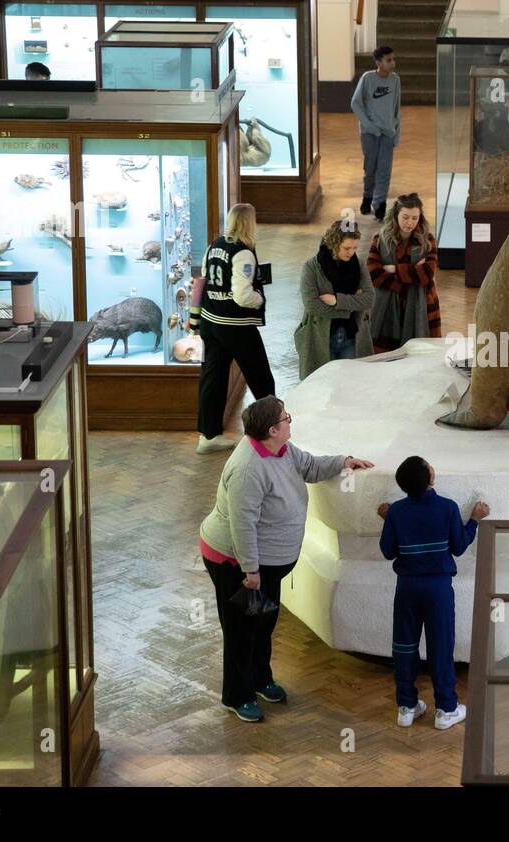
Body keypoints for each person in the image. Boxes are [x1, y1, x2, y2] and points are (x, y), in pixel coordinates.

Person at [200, 396, 374, 722]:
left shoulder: (281, 449)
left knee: (263, 622)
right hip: (235, 563)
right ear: (273, 429)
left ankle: (260, 679)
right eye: (286, 418)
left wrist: (343, 461)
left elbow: (307, 465)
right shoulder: (248, 469)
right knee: (241, 630)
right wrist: (250, 571)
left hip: (265, 565)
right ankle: (237, 696)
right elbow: (243, 524)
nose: (290, 421)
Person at [377, 456, 488, 729]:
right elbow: (459, 546)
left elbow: (388, 551)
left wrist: (388, 519)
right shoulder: (447, 508)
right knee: (440, 646)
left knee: (404, 646)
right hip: (438, 588)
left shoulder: (397, 512)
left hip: (406, 587)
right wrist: (474, 519)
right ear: (430, 477)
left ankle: (406, 706)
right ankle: (446, 709)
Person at [190, 203, 273, 455]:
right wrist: (259, 298)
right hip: (235, 326)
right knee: (260, 377)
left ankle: (209, 435)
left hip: (210, 322)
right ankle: (270, 430)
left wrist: (195, 319)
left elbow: (201, 281)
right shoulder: (243, 253)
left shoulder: (214, 245)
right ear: (249, 223)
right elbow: (242, 295)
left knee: (212, 378)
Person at [294, 219, 374, 380]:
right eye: (346, 248)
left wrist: (337, 301)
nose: (351, 253)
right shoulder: (311, 268)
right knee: (323, 385)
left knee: (352, 384)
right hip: (321, 336)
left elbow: (369, 298)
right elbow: (312, 306)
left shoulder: (358, 265)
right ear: (333, 243)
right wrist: (351, 304)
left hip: (352, 336)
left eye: (355, 248)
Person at [367, 193, 440, 353]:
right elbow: (374, 274)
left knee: (419, 356)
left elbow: (427, 273)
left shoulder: (427, 241)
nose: (410, 223)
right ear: (396, 215)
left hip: (422, 304)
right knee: (386, 358)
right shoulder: (380, 239)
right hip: (387, 306)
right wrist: (412, 273)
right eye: (405, 217)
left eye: (415, 218)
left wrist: (394, 269)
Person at [350, 46, 400, 221]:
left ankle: (380, 204)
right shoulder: (367, 78)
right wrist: (368, 124)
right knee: (370, 168)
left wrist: (396, 132)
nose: (392, 63)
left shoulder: (395, 80)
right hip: (370, 134)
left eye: (393, 59)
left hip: (388, 133)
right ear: (378, 62)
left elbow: (396, 108)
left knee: (384, 170)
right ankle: (367, 197)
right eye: (388, 60)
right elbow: (356, 104)